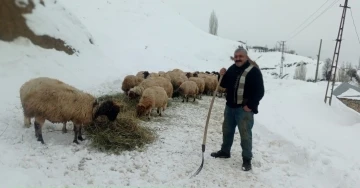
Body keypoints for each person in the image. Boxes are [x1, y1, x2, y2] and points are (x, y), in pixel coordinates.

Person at [210, 47, 265, 171]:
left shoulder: (253, 71)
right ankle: (225, 151)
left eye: (241, 56)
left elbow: (260, 91)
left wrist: (250, 105)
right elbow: (223, 84)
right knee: (227, 130)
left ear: (246, 57)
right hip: (230, 107)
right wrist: (221, 75)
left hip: (244, 109)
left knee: (245, 135)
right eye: (236, 56)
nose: (238, 59)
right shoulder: (232, 68)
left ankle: (247, 159)